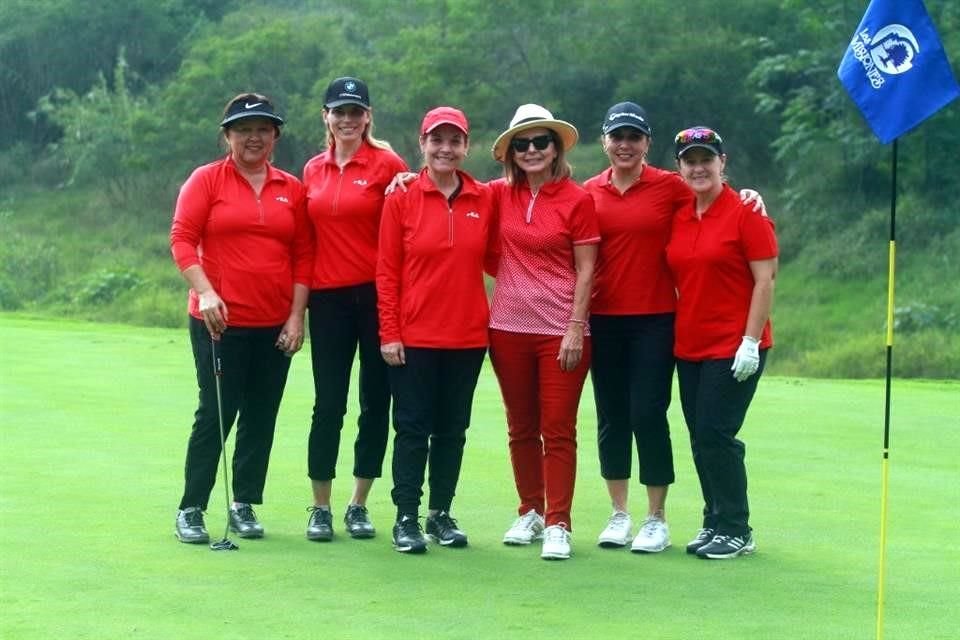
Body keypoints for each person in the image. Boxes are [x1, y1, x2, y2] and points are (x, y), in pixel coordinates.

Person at [583, 103, 766, 553]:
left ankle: (662, 519)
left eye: (634, 136)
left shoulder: (671, 187)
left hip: (658, 321)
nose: (624, 145)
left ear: (647, 143)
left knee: (653, 416)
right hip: (607, 320)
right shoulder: (587, 192)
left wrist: (751, 195)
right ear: (604, 141)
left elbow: (722, 202)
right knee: (613, 418)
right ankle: (625, 514)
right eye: (616, 136)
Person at [170, 93, 312, 544]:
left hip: (275, 322)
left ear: (275, 137)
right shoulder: (206, 180)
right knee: (216, 413)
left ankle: (244, 503)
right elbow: (182, 240)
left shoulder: (291, 188)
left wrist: (296, 318)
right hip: (219, 322)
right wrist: (205, 291)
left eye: (264, 129)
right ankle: (192, 507)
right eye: (244, 129)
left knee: (261, 414)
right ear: (227, 135)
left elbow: (304, 254)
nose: (254, 137)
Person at [377, 106, 498, 553]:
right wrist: (389, 331)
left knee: (452, 430)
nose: (446, 148)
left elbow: (506, 246)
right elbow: (387, 271)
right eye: (437, 140)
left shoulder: (485, 198)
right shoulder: (401, 197)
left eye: (455, 141)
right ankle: (406, 517)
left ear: (467, 147)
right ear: (422, 144)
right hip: (413, 337)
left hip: (467, 336)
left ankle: (440, 514)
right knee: (411, 428)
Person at [488, 104, 600, 561]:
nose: (532, 150)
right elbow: (443, 185)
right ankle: (530, 510)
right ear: (511, 153)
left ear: (556, 148)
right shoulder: (496, 194)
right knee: (520, 428)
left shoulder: (577, 199)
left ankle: (558, 522)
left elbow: (587, 270)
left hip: (561, 330)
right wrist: (403, 178)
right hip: (507, 326)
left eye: (541, 142)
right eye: (522, 144)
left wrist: (576, 326)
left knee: (557, 429)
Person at [301, 77, 409, 542]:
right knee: (328, 403)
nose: (346, 119)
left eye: (354, 111)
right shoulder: (312, 170)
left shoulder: (388, 165)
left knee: (375, 403)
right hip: (327, 300)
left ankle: (358, 503)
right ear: (325, 116)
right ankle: (320, 506)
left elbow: (408, 223)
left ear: (367, 117)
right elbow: (305, 242)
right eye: (337, 111)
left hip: (377, 297)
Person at [665, 126, 778, 560]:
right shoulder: (679, 213)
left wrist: (750, 341)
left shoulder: (746, 212)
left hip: (735, 345)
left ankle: (737, 527)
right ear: (679, 168)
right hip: (690, 344)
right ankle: (715, 519)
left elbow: (764, 280)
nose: (698, 167)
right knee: (699, 436)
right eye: (690, 161)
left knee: (716, 433)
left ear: (722, 162)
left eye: (706, 159)